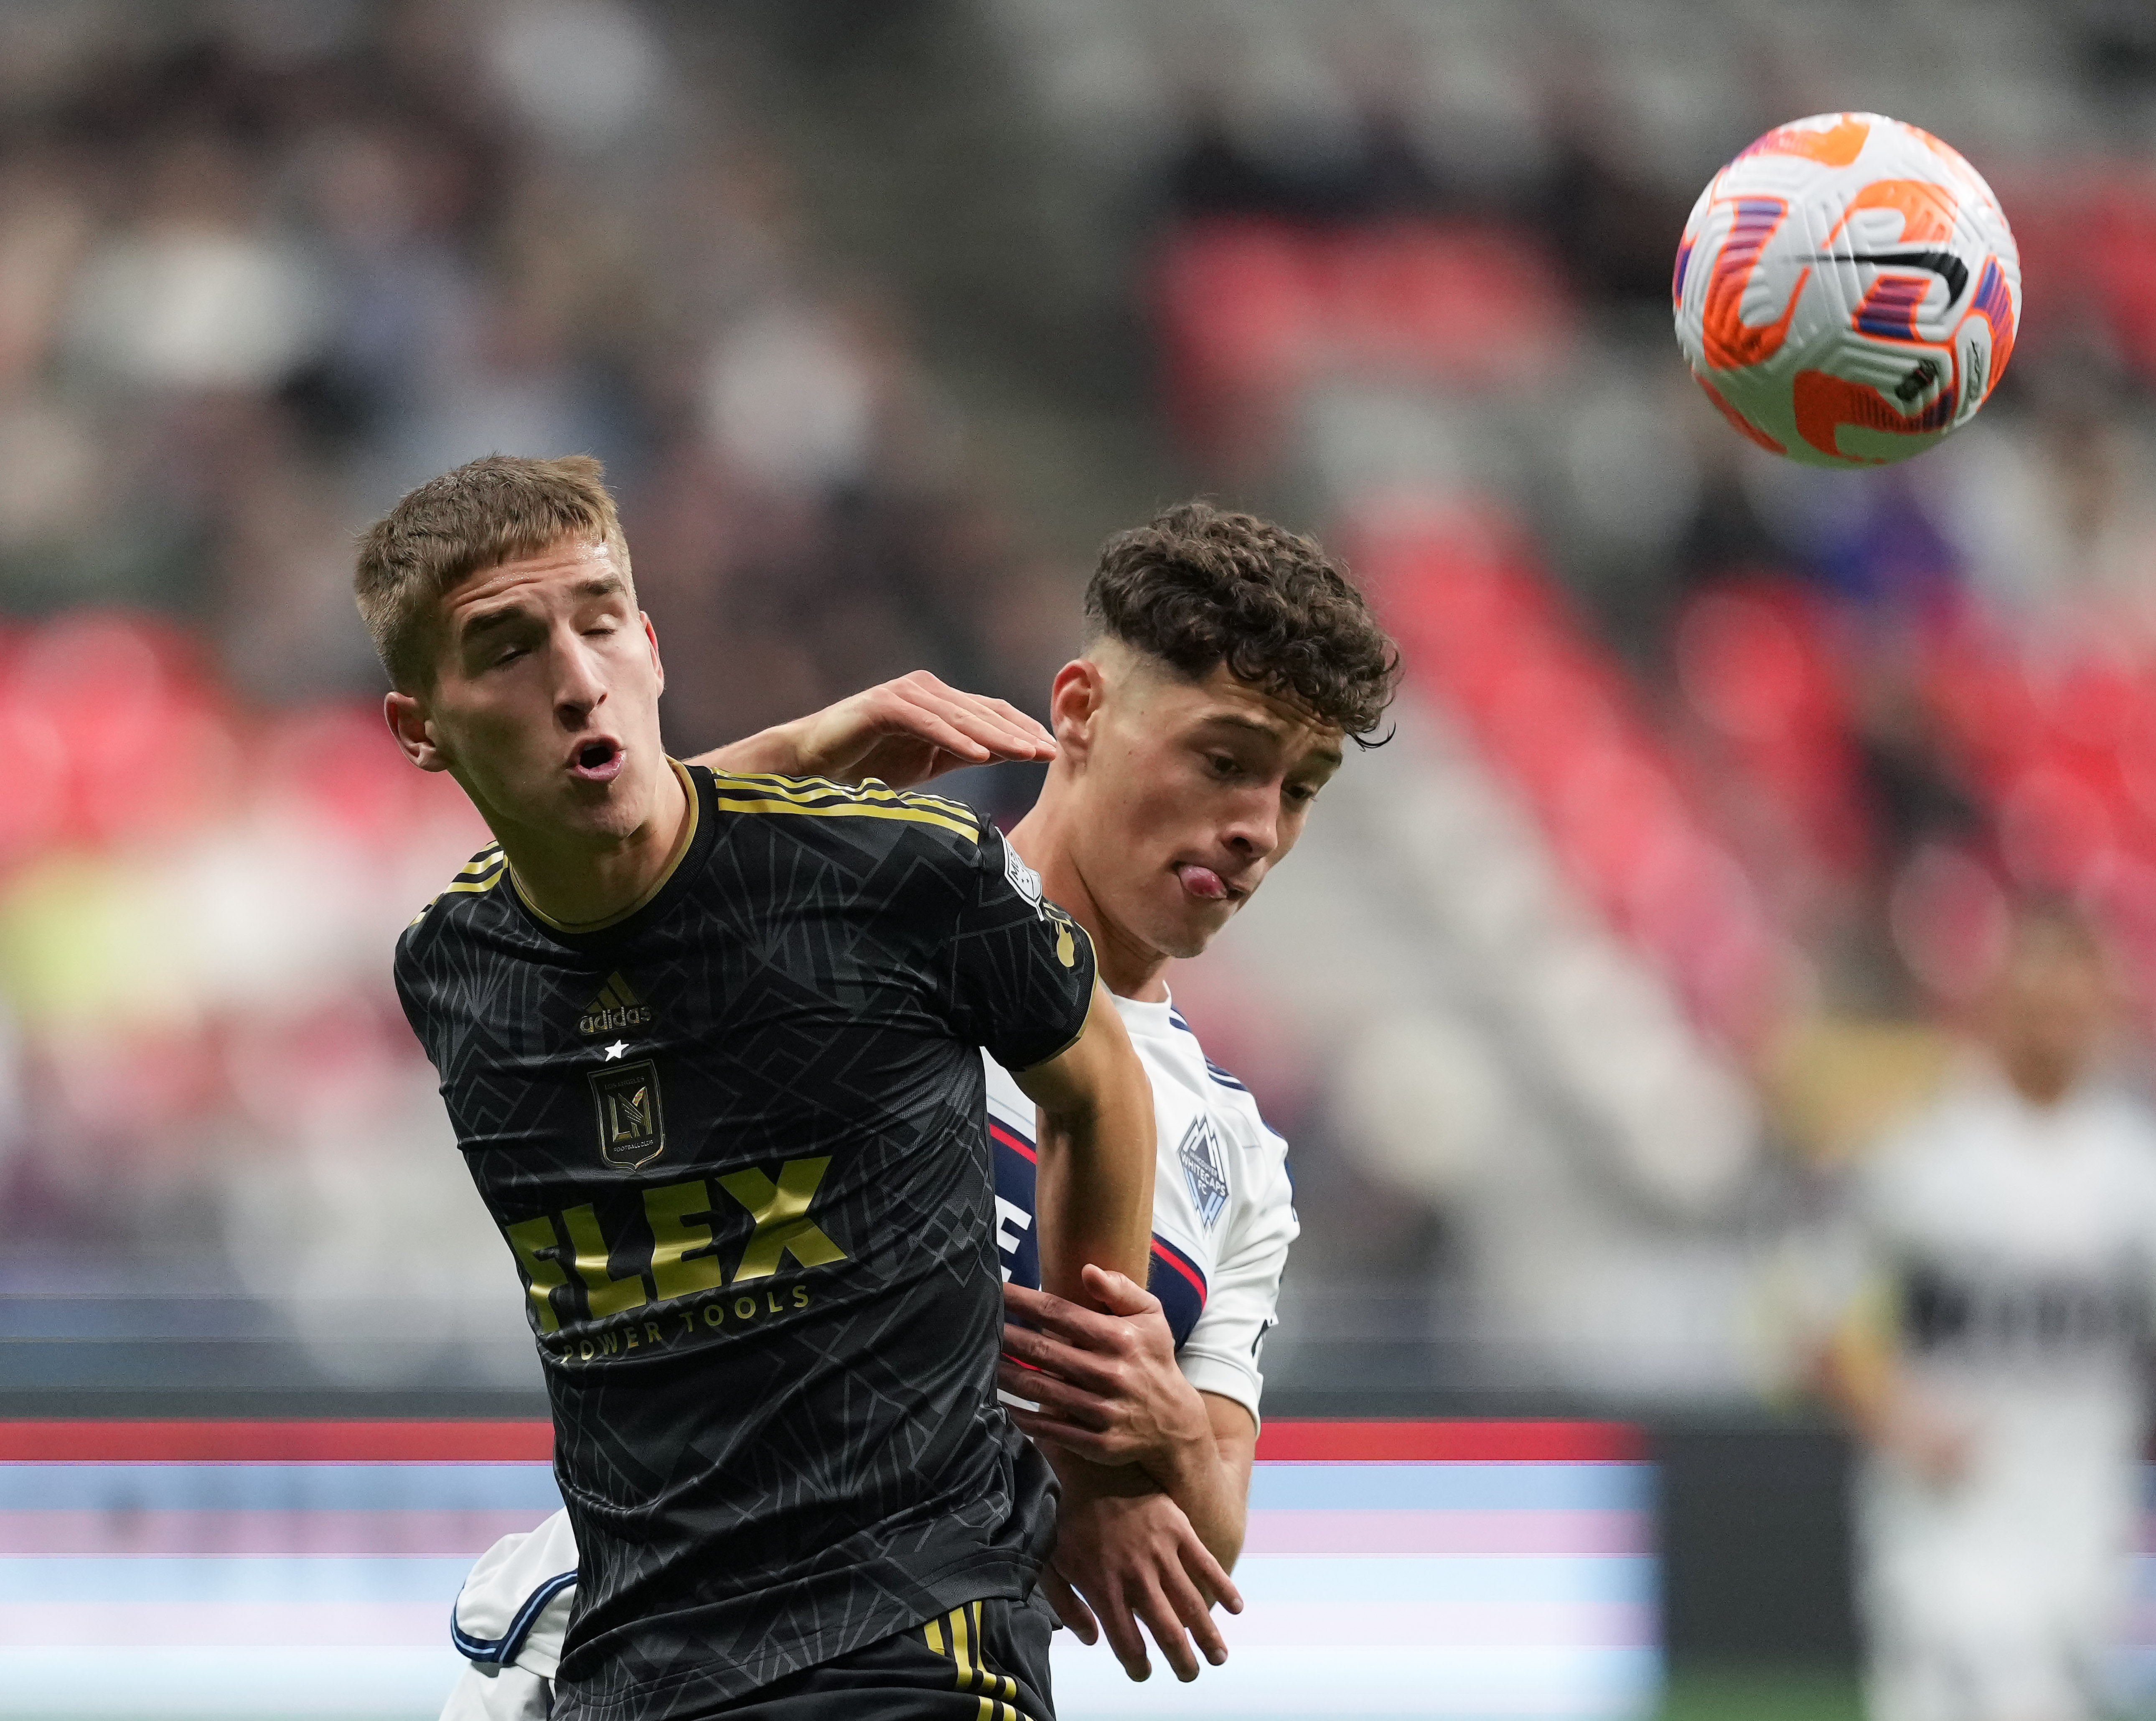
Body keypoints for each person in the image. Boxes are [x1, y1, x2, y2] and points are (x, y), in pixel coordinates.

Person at [440, 501, 1401, 1718]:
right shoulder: (857, 908)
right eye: (1223, 760)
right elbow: (541, 913)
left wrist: (1162, 1437)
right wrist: (796, 753)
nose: (1258, 827)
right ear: (1081, 709)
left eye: (1300, 788)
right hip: (621, 1646)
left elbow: (1207, 1529)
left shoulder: (1238, 1159)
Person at [366, 453, 1159, 1721]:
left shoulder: (904, 876)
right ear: (422, 728)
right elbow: (607, 873)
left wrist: (1095, 1445)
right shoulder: (455, 970)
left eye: (601, 623)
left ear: (650, 644)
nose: (577, 678)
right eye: (508, 649)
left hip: (910, 1631)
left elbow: (1103, 1088)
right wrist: (785, 752)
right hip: (635, 1664)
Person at [1813, 899, 2156, 1721]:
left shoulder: (2151, 1170)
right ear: (1997, 1000)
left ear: (2106, 1006)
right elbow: (1820, 1325)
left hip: (2083, 1540)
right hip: (1941, 1539)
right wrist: (1897, 1419)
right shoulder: (1922, 1152)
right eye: (2038, 996)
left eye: (2074, 999)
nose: (2055, 1020)